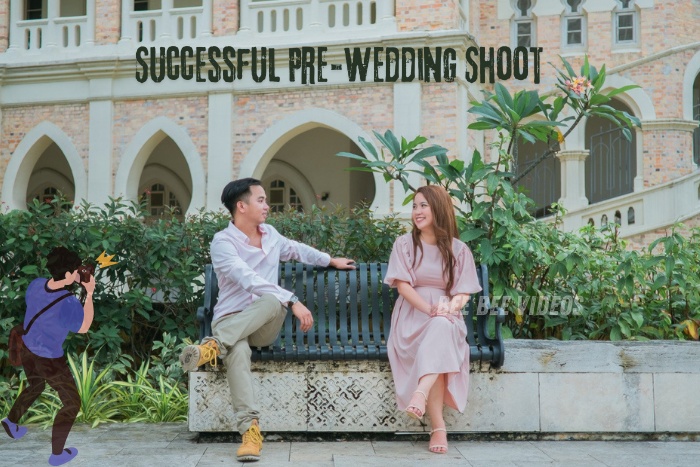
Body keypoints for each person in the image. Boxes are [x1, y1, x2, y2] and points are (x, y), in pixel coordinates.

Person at [180, 178, 355, 463]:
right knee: (237, 351)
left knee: (272, 300)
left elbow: (298, 250)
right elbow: (246, 278)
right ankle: (250, 432)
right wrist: (294, 300)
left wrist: (329, 260)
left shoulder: (271, 235)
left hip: (263, 325)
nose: (267, 205)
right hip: (231, 320)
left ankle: (212, 347)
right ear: (241, 206)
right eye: (260, 200)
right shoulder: (222, 243)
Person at [384, 185, 482, 454]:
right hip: (412, 316)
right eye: (415, 206)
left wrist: (449, 308)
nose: (417, 211)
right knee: (437, 338)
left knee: (441, 329)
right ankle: (438, 427)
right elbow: (403, 286)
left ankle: (421, 393)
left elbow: (463, 293)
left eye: (423, 205)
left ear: (438, 208)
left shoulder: (459, 250)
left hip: (445, 313)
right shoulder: (404, 245)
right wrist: (429, 309)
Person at [2, 247, 96, 466]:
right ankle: (57, 454)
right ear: (67, 275)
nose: (77, 274)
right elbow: (83, 327)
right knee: (72, 402)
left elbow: (39, 307)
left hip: (27, 348)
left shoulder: (37, 285)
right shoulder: (68, 302)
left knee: (36, 386)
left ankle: (11, 420)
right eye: (75, 271)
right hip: (49, 358)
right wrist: (89, 293)